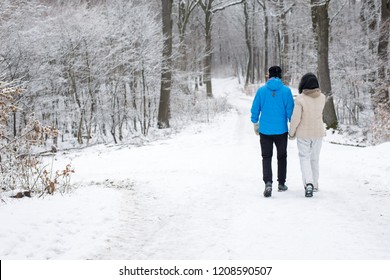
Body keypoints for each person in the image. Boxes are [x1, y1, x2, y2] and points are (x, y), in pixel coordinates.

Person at [251, 66, 294, 197]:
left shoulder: (261, 91)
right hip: (281, 131)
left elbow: (255, 109)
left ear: (268, 76)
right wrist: (292, 126)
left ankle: (268, 183)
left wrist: (255, 123)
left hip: (265, 131)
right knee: (282, 157)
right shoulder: (286, 91)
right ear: (281, 76)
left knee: (266, 157)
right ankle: (281, 183)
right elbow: (291, 111)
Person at [288, 73, 326, 197]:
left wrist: (291, 132)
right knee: (315, 159)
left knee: (305, 158)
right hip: (318, 133)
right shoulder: (322, 97)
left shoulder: (300, 99)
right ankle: (315, 184)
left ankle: (308, 183)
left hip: (303, 134)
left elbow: (295, 118)